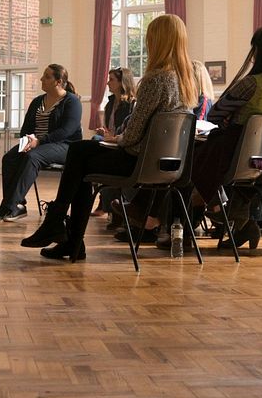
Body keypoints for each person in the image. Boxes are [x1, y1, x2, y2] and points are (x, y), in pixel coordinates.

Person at [20, 14, 198, 262]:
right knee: (80, 155)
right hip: (168, 166)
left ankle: (62, 230)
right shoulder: (187, 80)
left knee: (79, 153)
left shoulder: (155, 79)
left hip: (139, 163)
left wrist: (117, 139)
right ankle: (64, 234)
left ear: (157, 41)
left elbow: (134, 134)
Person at [188, 26, 262, 250]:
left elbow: (216, 112)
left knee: (191, 164)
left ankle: (199, 221)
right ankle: (236, 221)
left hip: (230, 153)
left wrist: (230, 118)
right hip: (257, 159)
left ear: (258, 52)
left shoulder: (251, 83)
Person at [0, 64, 82, 222]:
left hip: (65, 146)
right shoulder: (38, 101)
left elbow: (66, 131)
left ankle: (8, 206)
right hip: (38, 144)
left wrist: (39, 141)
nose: (41, 79)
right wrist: (26, 141)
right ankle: (18, 206)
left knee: (32, 157)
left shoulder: (72, 101)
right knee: (9, 158)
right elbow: (26, 127)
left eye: (47, 76)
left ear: (58, 82)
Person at [91, 67, 136, 217]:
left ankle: (105, 201)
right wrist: (105, 132)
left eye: (111, 80)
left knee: (96, 145)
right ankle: (105, 200)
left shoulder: (131, 104)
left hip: (122, 141)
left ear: (122, 82)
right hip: (112, 139)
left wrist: (111, 136)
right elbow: (110, 128)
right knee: (95, 142)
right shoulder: (110, 103)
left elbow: (127, 130)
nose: (108, 83)